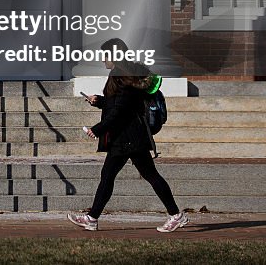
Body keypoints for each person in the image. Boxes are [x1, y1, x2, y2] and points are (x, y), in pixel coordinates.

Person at [66, 39, 188, 233]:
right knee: (110, 175)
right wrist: (99, 101)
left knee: (145, 175)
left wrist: (97, 129)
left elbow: (120, 111)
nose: (103, 58)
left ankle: (176, 215)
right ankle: (92, 218)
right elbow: (120, 104)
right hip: (126, 136)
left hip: (128, 137)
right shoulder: (126, 74)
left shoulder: (121, 75)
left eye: (105, 54)